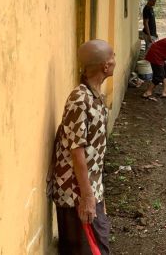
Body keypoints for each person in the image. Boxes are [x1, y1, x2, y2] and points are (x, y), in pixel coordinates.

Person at [49, 40, 116, 255]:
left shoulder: (94, 96)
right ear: (105, 66)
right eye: (112, 57)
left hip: (89, 189)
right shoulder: (80, 99)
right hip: (75, 193)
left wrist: (98, 194)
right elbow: (76, 150)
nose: (115, 60)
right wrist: (87, 197)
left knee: (98, 244)